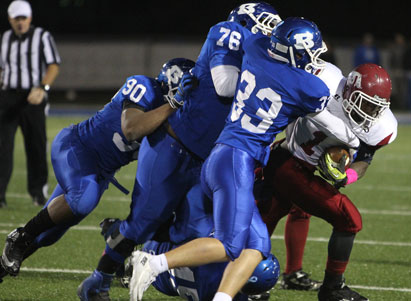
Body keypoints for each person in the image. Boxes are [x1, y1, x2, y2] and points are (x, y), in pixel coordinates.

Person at [130, 17, 361, 301]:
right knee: (228, 245)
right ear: (296, 51)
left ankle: (222, 298)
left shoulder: (257, 48)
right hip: (237, 161)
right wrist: (355, 140)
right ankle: (152, 263)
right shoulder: (309, 86)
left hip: (223, 155)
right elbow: (336, 128)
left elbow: (252, 38)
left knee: (257, 245)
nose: (314, 57)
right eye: (310, 51)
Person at [78, 3, 282, 301]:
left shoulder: (261, 60)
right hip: (173, 148)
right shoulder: (226, 34)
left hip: (211, 160)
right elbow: (226, 87)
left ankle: (200, 283)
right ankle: (99, 280)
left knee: (200, 232)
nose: (268, 37)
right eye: (263, 29)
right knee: (143, 221)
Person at [0, 58, 196, 284]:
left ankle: (5, 262)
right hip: (78, 148)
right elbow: (131, 129)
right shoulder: (145, 87)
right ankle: (19, 238)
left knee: (48, 234)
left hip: (100, 172)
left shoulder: (174, 114)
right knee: (83, 199)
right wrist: (173, 104)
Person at [256, 63, 397, 301]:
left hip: (298, 168)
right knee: (349, 218)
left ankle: (249, 282)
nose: (370, 112)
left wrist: (346, 176)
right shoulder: (325, 82)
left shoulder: (379, 126)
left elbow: (364, 161)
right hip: (289, 162)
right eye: (366, 103)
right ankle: (332, 288)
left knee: (263, 221)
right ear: (350, 91)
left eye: (376, 108)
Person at [97, 183, 280, 301]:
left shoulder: (221, 259)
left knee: (197, 226)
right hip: (165, 285)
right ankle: (127, 266)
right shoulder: (227, 289)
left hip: (162, 251)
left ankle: (118, 232)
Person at [0, 0, 61, 208]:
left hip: (33, 97)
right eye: (16, 18)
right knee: (2, 147)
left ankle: (38, 193)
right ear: (9, 19)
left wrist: (43, 88)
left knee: (36, 145)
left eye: (23, 17)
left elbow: (53, 65)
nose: (20, 22)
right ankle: (0, 195)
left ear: (30, 18)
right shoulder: (4, 38)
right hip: (7, 97)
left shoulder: (42, 36)